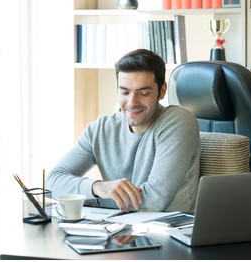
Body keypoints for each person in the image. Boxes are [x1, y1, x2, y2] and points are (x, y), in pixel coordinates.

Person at [47, 49, 200, 212]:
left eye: (144, 93)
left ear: (162, 91)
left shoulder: (178, 122)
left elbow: (154, 201)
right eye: (125, 92)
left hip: (166, 233)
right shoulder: (100, 129)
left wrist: (91, 200)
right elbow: (52, 182)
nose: (132, 102)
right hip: (117, 228)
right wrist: (97, 188)